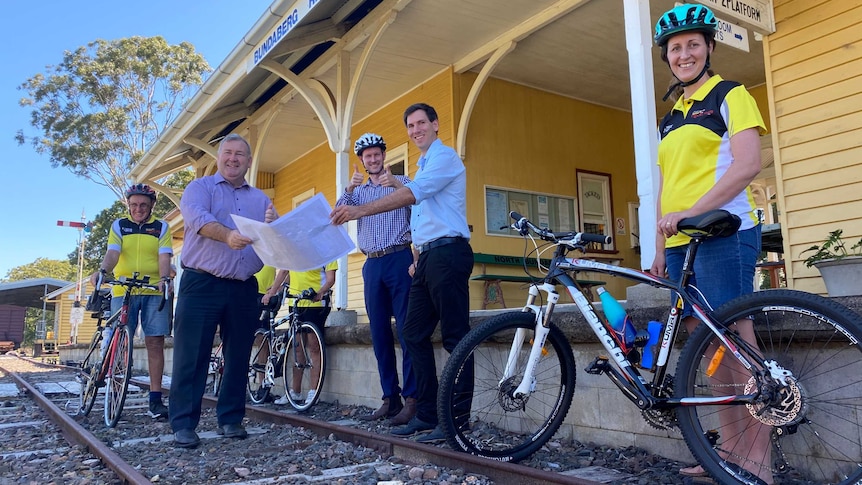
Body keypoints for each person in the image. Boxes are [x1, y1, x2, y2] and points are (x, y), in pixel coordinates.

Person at [649, 5, 770, 483]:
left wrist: (695, 214)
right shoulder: (671, 116)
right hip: (682, 243)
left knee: (737, 348)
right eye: (675, 48)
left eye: (693, 44)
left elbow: (747, 164)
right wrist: (659, 247)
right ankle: (727, 455)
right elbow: (667, 184)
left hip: (724, 234)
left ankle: (758, 464)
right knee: (711, 353)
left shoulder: (730, 95)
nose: (684, 54)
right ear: (668, 57)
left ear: (709, 49)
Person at [330, 103, 473, 444]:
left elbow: (410, 196)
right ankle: (425, 412)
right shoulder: (423, 164)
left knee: (456, 338)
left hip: (449, 252)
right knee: (412, 333)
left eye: (421, 123)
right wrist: (417, 255)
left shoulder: (443, 158)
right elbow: (421, 218)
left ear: (435, 125)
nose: (415, 129)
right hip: (426, 258)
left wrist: (360, 209)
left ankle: (458, 420)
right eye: (410, 125)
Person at [169, 133, 276, 448]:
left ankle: (231, 419)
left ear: (249, 160)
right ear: (219, 157)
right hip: (201, 283)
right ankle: (184, 424)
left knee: (239, 355)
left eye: (240, 154)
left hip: (244, 287)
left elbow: (275, 242)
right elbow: (198, 220)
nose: (233, 159)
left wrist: (274, 227)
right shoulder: (199, 188)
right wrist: (228, 236)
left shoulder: (261, 200)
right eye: (228, 153)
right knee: (192, 355)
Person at [335, 133, 417, 425]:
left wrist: (416, 258)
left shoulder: (403, 182)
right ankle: (389, 398)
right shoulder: (356, 193)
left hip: (400, 258)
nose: (373, 159)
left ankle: (412, 399)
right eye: (367, 155)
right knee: (379, 333)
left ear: (384, 155)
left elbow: (419, 214)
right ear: (362, 160)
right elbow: (336, 216)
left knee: (408, 330)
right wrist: (347, 190)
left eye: (377, 154)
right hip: (372, 264)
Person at [89, 183, 173, 419]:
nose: (138, 209)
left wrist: (164, 278)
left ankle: (155, 400)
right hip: (123, 289)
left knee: (155, 342)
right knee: (120, 341)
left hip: (152, 288)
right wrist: (103, 271)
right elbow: (113, 253)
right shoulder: (119, 225)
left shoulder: (161, 226)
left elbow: (163, 255)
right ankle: (113, 389)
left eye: (144, 205)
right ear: (128, 205)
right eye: (134, 204)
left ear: (152, 206)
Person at [272, 262, 336, 405]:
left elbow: (330, 278)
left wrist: (320, 292)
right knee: (297, 347)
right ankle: (295, 391)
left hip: (316, 303)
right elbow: (285, 271)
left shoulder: (326, 250)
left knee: (314, 346)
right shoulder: (296, 250)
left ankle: (314, 390)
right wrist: (275, 290)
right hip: (296, 301)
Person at [250, 265, 288, 403]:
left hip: (266, 294)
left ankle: (262, 386)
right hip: (247, 291)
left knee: (264, 340)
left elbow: (287, 267)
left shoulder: (274, 245)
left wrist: (278, 287)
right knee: (243, 338)